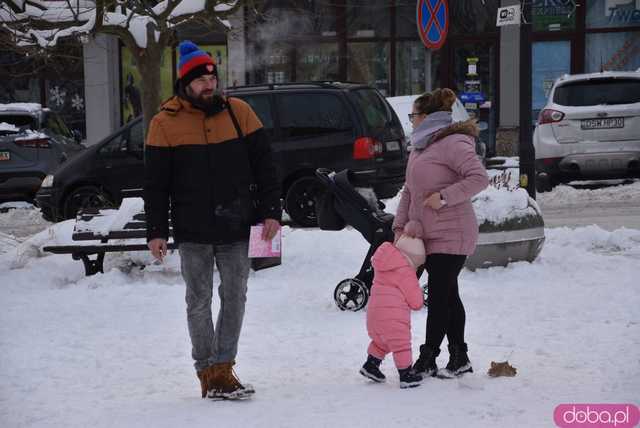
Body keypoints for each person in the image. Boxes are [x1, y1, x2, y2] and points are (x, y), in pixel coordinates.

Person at [144, 40, 281, 400]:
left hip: (237, 224)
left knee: (235, 296)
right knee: (199, 299)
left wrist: (271, 212)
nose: (209, 85)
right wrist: (156, 230)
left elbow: (266, 168)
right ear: (186, 83)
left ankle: (223, 367)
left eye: (212, 78)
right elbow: (156, 185)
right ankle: (207, 372)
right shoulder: (164, 123)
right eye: (202, 80)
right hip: (193, 230)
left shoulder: (240, 113)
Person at [392, 88, 489, 379]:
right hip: (427, 235)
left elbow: (479, 178)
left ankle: (429, 356)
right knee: (447, 295)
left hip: (453, 232)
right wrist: (399, 227)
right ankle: (459, 357)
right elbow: (410, 190)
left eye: (414, 115)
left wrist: (444, 197)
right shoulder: (420, 147)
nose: (411, 121)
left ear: (428, 117)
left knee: (438, 294)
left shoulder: (453, 143)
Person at [360, 233, 426, 389]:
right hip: (393, 319)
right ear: (413, 260)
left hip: (374, 316)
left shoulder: (383, 265)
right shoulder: (406, 272)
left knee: (381, 342)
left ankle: (371, 365)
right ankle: (405, 374)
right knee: (400, 344)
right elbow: (416, 302)